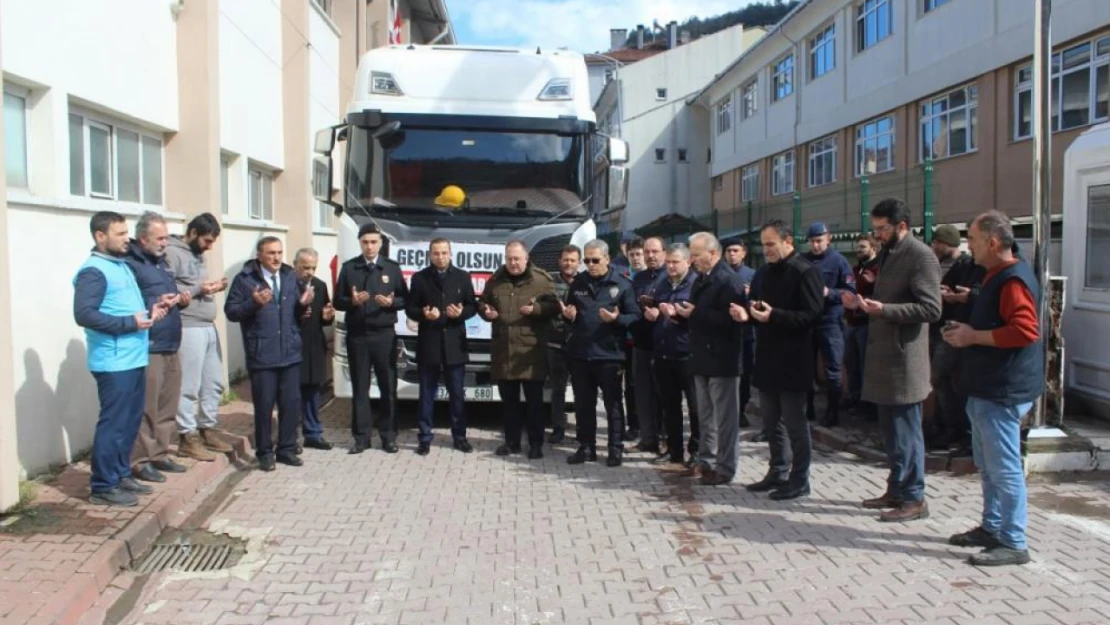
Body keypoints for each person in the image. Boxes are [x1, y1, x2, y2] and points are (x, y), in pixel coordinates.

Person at [942, 210, 1043, 567]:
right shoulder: (998, 275)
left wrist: (973, 336)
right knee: (989, 464)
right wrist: (968, 329)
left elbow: (1026, 331)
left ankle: (1014, 541)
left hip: (1002, 390)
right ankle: (993, 527)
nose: (968, 246)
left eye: (972, 238)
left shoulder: (1012, 280)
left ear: (993, 242)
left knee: (1003, 467)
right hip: (987, 387)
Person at [845, 198, 942, 522]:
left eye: (882, 229)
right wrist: (861, 303)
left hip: (904, 360)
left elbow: (931, 309)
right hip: (884, 357)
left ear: (902, 226)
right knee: (889, 430)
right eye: (875, 229)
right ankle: (897, 489)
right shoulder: (888, 253)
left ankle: (914, 497)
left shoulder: (921, 256)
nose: (877, 236)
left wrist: (884, 310)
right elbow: (886, 300)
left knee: (906, 431)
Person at [75, 211, 172, 506]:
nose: (125, 238)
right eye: (119, 233)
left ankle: (120, 474)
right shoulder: (94, 271)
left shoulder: (120, 265)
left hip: (134, 357)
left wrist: (152, 308)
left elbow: (125, 306)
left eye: (125, 232)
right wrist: (129, 324)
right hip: (113, 362)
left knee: (130, 421)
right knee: (114, 423)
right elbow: (84, 314)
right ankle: (103, 485)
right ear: (100, 236)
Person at [745, 221, 825, 501]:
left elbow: (812, 314)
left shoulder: (805, 271)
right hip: (767, 355)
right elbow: (757, 301)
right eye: (763, 245)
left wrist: (774, 315)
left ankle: (799, 479)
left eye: (770, 244)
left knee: (794, 422)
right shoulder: (765, 272)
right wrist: (750, 311)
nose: (766, 250)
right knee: (771, 421)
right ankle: (777, 471)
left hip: (793, 358)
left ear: (787, 241)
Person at [225, 237, 313, 471]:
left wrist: (304, 305)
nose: (276, 258)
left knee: (291, 403)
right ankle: (264, 451)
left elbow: (297, 311)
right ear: (260, 255)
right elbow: (231, 312)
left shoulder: (289, 276)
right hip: (262, 353)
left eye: (280, 252)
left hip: (290, 352)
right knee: (264, 405)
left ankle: (286, 448)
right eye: (271, 253)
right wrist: (253, 304)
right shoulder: (244, 280)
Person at [125, 212, 191, 484]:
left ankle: (161, 453)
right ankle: (140, 460)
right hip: (149, 345)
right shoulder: (132, 264)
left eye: (166, 237)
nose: (166, 243)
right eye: (160, 238)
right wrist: (154, 299)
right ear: (143, 238)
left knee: (167, 403)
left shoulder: (162, 264)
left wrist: (182, 301)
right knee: (147, 407)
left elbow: (167, 300)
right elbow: (131, 301)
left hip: (171, 342)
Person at [562, 239, 640, 467]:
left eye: (595, 260)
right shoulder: (578, 283)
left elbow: (635, 316)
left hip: (609, 356)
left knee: (613, 404)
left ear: (607, 259)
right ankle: (586, 447)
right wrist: (569, 316)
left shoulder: (623, 285)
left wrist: (617, 319)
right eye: (586, 260)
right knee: (584, 405)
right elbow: (570, 314)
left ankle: (615, 449)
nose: (590, 264)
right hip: (581, 355)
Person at [478, 241, 559, 459]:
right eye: (509, 258)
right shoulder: (496, 280)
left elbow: (554, 306)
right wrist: (486, 311)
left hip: (531, 352)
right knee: (509, 403)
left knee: (534, 403)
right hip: (505, 351)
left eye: (517, 259)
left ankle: (535, 444)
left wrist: (537, 309)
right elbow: (483, 303)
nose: (513, 263)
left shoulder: (541, 280)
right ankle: (511, 443)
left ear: (526, 259)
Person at [333, 223, 408, 455]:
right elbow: (337, 301)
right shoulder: (349, 268)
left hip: (384, 335)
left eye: (374, 242)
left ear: (381, 243)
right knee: (360, 388)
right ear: (360, 243)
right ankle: (361, 438)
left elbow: (406, 298)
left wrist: (392, 303)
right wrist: (352, 302)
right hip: (358, 336)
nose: (370, 246)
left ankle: (388, 437)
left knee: (388, 388)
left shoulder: (392, 269)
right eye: (365, 242)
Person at [165, 213, 233, 462]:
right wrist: (198, 290)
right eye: (206, 240)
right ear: (192, 233)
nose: (209, 246)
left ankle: (208, 427)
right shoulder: (172, 253)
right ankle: (187, 436)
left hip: (207, 325)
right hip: (188, 326)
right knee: (189, 385)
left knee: (213, 381)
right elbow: (167, 290)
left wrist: (212, 288)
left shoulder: (198, 254)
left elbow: (194, 286)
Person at [681, 232, 747, 486]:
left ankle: (725, 467)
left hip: (722, 360)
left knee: (725, 419)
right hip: (701, 357)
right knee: (704, 415)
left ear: (713, 254)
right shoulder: (701, 279)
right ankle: (705, 461)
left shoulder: (728, 281)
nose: (693, 260)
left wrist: (697, 313)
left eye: (696, 255)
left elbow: (732, 322)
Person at [406, 238, 478, 455]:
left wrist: (461, 313)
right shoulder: (420, 278)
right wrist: (423, 314)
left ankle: (459, 437)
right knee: (427, 394)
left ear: (450, 253)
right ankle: (425, 438)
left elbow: (473, 306)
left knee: (457, 394)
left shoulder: (462, 276)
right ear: (430, 255)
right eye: (436, 253)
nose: (440, 257)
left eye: (444, 253)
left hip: (454, 343)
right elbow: (410, 308)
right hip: (429, 343)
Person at [930, 224, 985, 454]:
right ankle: (947, 427)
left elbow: (979, 294)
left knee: (943, 377)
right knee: (941, 379)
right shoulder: (959, 265)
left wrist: (962, 297)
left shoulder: (973, 265)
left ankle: (958, 430)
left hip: (962, 330)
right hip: (944, 327)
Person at [651, 243, 700, 466]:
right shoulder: (661, 284)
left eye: (675, 262)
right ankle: (674, 450)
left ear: (688, 262)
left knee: (695, 407)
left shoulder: (696, 284)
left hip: (688, 354)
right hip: (663, 353)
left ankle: (697, 450)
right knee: (669, 406)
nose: (670, 266)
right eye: (668, 262)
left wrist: (682, 316)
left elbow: (701, 318)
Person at [803, 221, 856, 427]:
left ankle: (832, 412)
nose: (815, 245)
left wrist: (829, 293)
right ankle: (808, 409)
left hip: (830, 320)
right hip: (807, 321)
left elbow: (850, 292)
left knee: (833, 368)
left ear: (828, 239)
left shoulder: (839, 261)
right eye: (812, 241)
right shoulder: (804, 260)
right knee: (805, 368)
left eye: (819, 241)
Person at [294, 248, 335, 451]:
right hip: (293, 345)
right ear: (296, 265)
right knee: (293, 392)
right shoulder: (288, 284)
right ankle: (290, 436)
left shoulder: (319, 285)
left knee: (313, 390)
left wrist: (328, 316)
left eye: (313, 267)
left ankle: (313, 433)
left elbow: (325, 316)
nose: (309, 272)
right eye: (305, 267)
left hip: (314, 345)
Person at [630, 237, 665, 454]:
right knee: (642, 394)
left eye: (655, 251)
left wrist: (659, 312)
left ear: (663, 252)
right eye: (647, 252)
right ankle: (647, 437)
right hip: (641, 343)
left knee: (663, 395)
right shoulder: (639, 278)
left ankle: (665, 440)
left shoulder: (669, 277)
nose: (650, 256)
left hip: (664, 345)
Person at [547, 245, 581, 444]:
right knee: (557, 389)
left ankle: (582, 429)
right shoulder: (549, 283)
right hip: (555, 343)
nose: (569, 264)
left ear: (579, 262)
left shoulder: (585, 282)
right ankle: (558, 428)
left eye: (573, 260)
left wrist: (577, 314)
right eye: (565, 260)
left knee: (581, 390)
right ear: (559, 261)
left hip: (578, 344)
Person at [845, 235, 880, 420]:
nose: (859, 251)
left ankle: (868, 405)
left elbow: (883, 295)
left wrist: (875, 282)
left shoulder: (877, 269)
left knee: (865, 365)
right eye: (857, 248)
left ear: (873, 248)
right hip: (851, 323)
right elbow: (850, 287)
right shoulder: (856, 269)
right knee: (852, 364)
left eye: (863, 247)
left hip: (867, 324)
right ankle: (854, 398)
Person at [723, 236, 756, 429]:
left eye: (736, 250)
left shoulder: (752, 274)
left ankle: (741, 410)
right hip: (725, 331)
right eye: (729, 251)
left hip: (746, 332)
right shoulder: (721, 273)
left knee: (745, 373)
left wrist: (750, 293)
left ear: (743, 253)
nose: (732, 254)